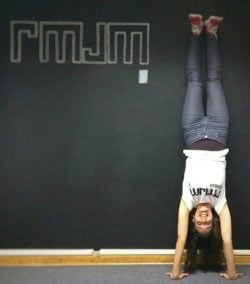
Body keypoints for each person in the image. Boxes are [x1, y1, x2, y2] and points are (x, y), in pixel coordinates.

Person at [166, 14, 243, 280]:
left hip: (193, 132)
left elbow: (179, 237)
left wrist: (176, 272)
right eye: (207, 223)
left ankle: (195, 32)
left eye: (199, 223)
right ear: (213, 221)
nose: (202, 219)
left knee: (194, 80)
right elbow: (228, 242)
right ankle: (211, 34)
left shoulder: (186, 202)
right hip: (220, 132)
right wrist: (232, 274)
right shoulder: (221, 203)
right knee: (214, 80)